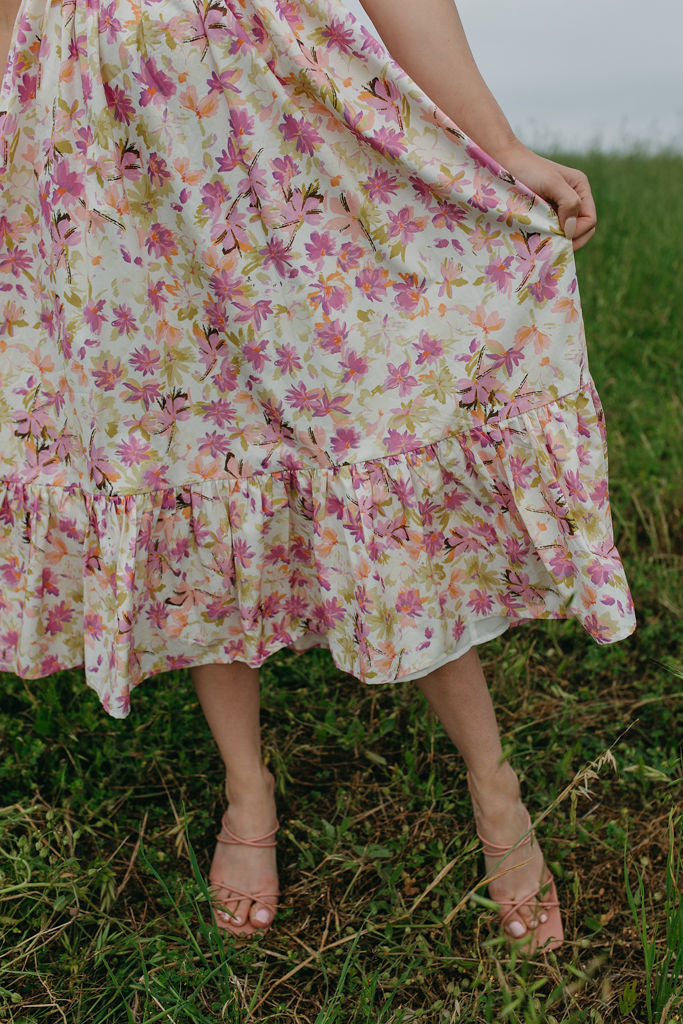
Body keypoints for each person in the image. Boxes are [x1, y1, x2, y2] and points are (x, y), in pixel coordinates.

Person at [0, 0, 635, 953]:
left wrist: (499, 145)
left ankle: (493, 784)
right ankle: (246, 788)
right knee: (183, 451)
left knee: (367, 426)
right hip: (98, 152)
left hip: (270, 119)